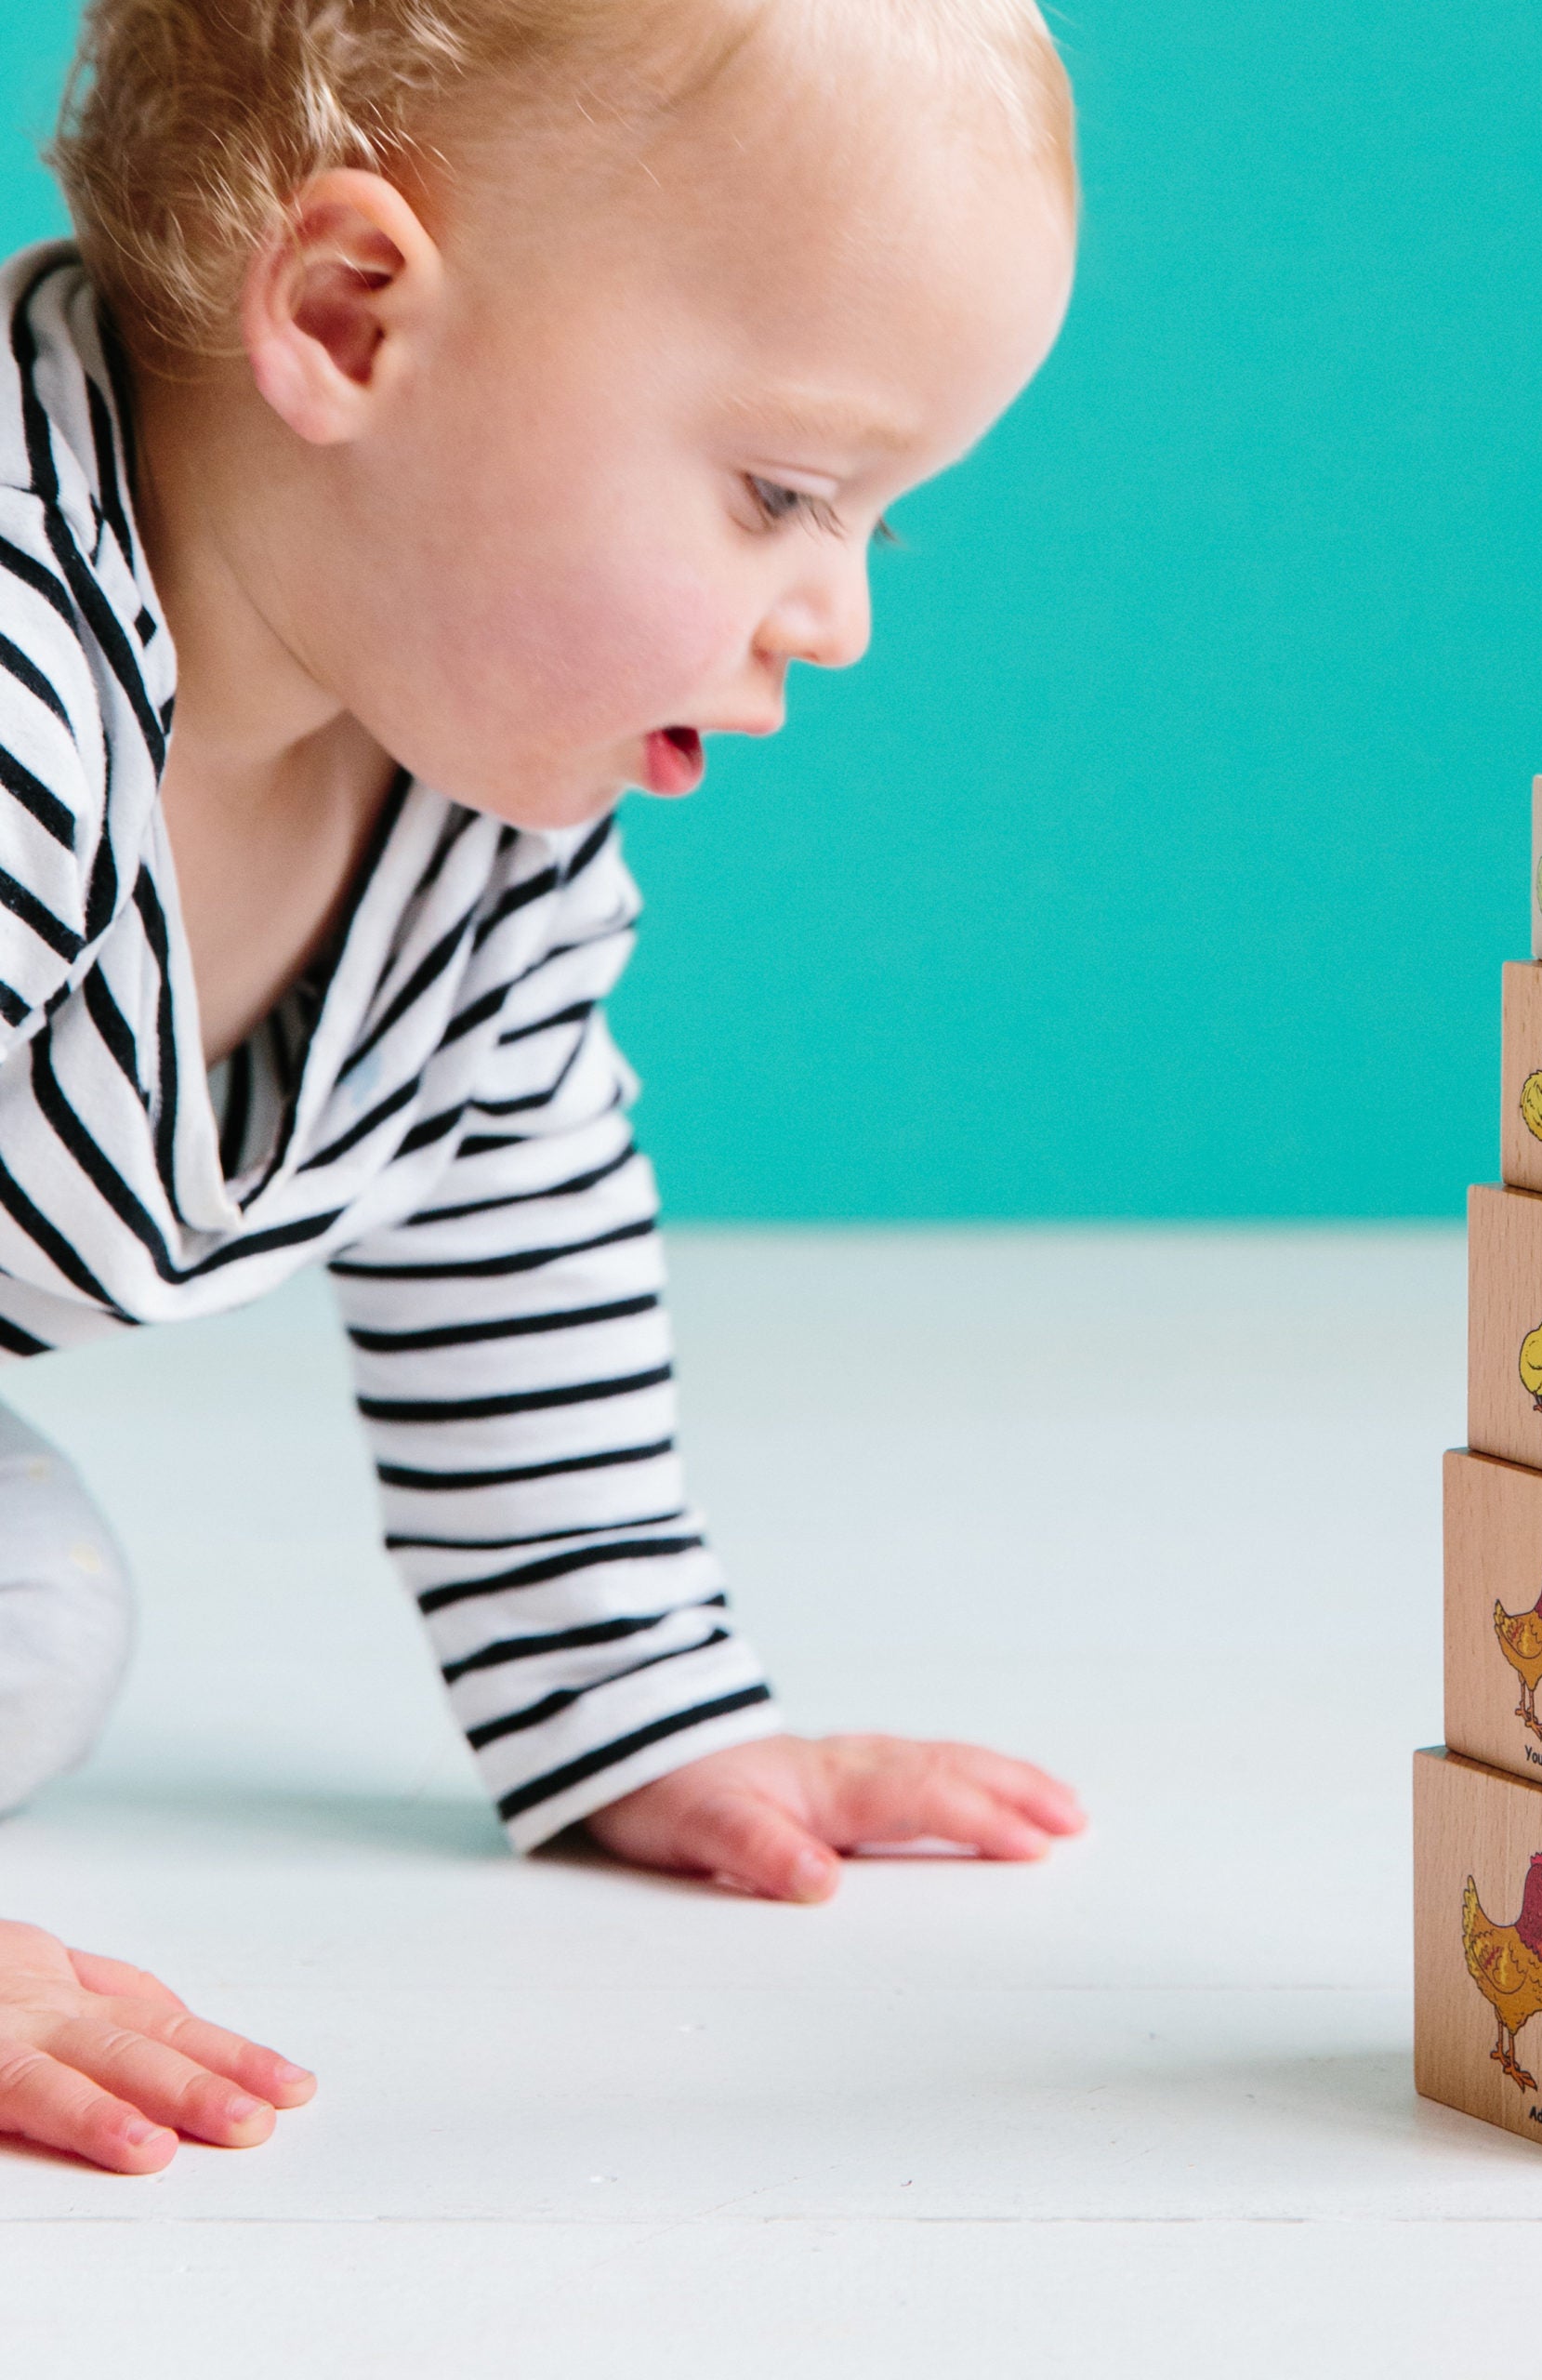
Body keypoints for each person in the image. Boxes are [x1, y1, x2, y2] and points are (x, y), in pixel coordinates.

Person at [0, 0, 1085, 2175]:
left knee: (44, 1618)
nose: (843, 614)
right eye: (784, 490)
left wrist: (630, 1706)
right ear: (348, 316)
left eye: (878, 522)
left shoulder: (468, 817)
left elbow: (511, 1209)